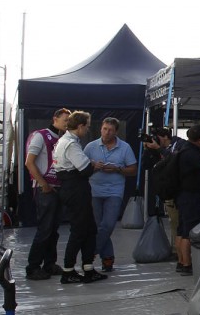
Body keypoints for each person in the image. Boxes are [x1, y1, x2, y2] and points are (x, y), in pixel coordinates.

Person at [52, 111, 108, 284]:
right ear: (81, 126)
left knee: (90, 228)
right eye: (87, 126)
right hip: (74, 188)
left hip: (74, 187)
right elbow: (84, 170)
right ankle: (68, 270)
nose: (88, 130)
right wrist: (94, 166)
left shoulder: (66, 141)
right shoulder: (70, 144)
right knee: (78, 230)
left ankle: (88, 268)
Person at [83, 117, 137, 272]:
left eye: (110, 130)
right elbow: (81, 166)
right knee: (98, 226)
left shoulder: (124, 148)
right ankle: (107, 258)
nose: (107, 132)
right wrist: (94, 166)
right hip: (94, 190)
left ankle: (91, 252)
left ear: (116, 132)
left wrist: (117, 169)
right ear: (100, 128)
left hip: (114, 191)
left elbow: (133, 170)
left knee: (107, 225)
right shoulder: (90, 147)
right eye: (104, 129)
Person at [24, 108, 70, 280]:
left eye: (69, 121)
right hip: (46, 188)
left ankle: (49, 264)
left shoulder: (64, 139)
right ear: (55, 119)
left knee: (54, 229)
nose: (67, 124)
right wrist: (43, 184)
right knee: (45, 229)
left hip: (59, 188)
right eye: (65, 120)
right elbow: (29, 162)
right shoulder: (41, 135)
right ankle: (33, 267)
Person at [174, 124, 200, 275]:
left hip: (182, 194)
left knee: (181, 229)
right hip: (191, 195)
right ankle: (187, 264)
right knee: (189, 231)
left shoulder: (182, 148)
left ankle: (180, 261)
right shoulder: (191, 153)